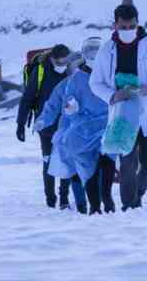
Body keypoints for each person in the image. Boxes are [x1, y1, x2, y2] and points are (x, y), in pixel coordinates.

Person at [90, 0, 147, 211]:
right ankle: (130, 207)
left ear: (137, 24)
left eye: (132, 26)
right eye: (124, 26)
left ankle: (135, 197)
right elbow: (95, 83)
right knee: (127, 165)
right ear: (115, 25)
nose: (128, 29)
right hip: (123, 116)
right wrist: (112, 95)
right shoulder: (106, 50)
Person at [36, 37, 116, 215]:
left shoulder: (111, 75)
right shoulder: (74, 81)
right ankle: (90, 206)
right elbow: (58, 103)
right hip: (83, 131)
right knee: (86, 170)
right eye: (90, 52)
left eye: (97, 52)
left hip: (108, 127)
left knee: (107, 162)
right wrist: (55, 115)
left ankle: (107, 200)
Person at [16, 44, 73, 209]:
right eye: (59, 63)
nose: (62, 66)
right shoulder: (40, 71)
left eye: (65, 62)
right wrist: (20, 124)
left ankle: (64, 199)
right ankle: (50, 199)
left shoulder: (72, 70)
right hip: (45, 124)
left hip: (67, 124)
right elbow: (27, 98)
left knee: (66, 160)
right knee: (48, 160)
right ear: (52, 59)